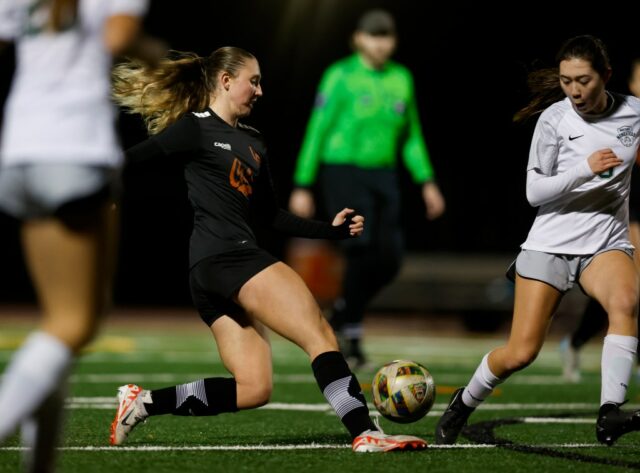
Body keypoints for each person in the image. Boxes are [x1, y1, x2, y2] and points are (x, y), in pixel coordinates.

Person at [108, 46, 427, 453]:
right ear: (226, 81)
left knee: (254, 388)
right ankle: (366, 432)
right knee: (321, 334)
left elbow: (271, 215)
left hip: (209, 270)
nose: (260, 90)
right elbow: (129, 160)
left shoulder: (254, 142)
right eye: (253, 81)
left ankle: (145, 402)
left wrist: (329, 231)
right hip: (228, 256)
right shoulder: (196, 127)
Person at [435, 35, 640, 446]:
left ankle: (609, 413)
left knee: (626, 302)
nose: (575, 91)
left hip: (605, 243)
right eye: (566, 81)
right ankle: (463, 402)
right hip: (550, 245)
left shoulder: (634, 114)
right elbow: (534, 193)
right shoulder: (554, 120)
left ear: (607, 76)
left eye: (583, 80)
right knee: (521, 352)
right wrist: (584, 168)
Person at [0, 0, 162, 471]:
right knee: (75, 323)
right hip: (74, 150)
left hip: (18, 151)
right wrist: (157, 55)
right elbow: (118, 36)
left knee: (58, 325)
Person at [288, 9, 445, 368]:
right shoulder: (339, 76)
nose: (380, 43)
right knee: (360, 247)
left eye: (386, 36)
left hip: (384, 175)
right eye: (374, 35)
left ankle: (344, 309)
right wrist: (302, 183)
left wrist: (427, 182)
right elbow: (318, 129)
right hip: (343, 171)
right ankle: (353, 336)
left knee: (391, 258)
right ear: (358, 38)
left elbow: (412, 136)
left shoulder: (401, 78)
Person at [559, 57, 640, 383]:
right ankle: (582, 343)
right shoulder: (624, 116)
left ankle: (577, 341)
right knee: (632, 286)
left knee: (627, 290)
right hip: (631, 207)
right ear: (632, 83)